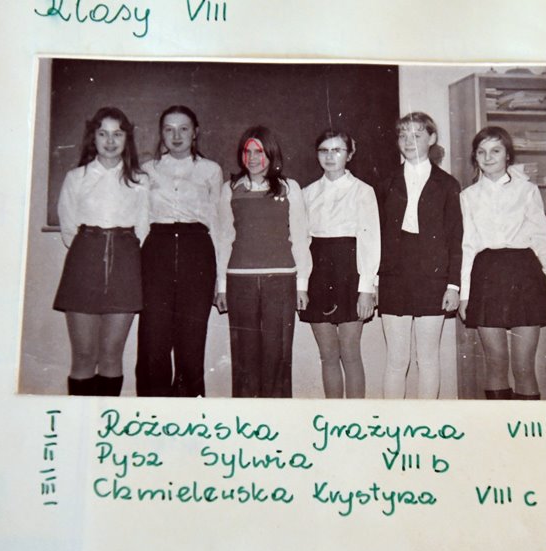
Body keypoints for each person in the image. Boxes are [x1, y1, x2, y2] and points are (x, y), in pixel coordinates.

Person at [457, 126, 546, 400]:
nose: (488, 157)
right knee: (495, 363)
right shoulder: (468, 196)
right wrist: (465, 295)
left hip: (524, 276)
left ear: (508, 155)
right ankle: (499, 424)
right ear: (475, 157)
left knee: (524, 366)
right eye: (481, 152)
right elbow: (468, 246)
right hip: (486, 277)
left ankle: (526, 426)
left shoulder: (527, 190)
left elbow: (542, 239)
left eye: (495, 151)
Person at [53, 107, 149, 396]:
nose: (110, 141)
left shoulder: (140, 180)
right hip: (84, 263)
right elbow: (68, 228)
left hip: (125, 267)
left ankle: (106, 418)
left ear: (127, 139)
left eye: (117, 134)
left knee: (111, 354)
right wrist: (92, 250)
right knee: (83, 355)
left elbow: (143, 227)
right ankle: (81, 419)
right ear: (92, 138)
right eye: (103, 133)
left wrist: (120, 251)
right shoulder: (76, 177)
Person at [214, 126, 312, 398]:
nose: (253, 158)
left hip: (280, 281)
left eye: (259, 152)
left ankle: (277, 417)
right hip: (240, 282)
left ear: (271, 153)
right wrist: (222, 286)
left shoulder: (290, 188)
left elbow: (300, 237)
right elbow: (224, 238)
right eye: (248, 152)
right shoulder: (230, 189)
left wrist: (302, 285)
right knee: (244, 357)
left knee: (277, 356)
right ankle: (246, 417)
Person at [135, 105, 223, 397]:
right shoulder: (147, 170)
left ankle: (188, 414)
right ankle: (152, 413)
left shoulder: (211, 170)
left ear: (195, 132)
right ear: (161, 133)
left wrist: (220, 280)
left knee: (191, 342)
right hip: (156, 252)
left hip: (197, 251)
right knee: (153, 342)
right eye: (169, 129)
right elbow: (141, 221)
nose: (176, 136)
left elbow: (217, 224)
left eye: (183, 129)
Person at [377, 112, 463, 399]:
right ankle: (393, 420)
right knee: (395, 360)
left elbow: (455, 239)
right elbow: (376, 236)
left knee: (427, 359)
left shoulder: (448, 184)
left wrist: (453, 285)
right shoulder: (386, 182)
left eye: (416, 135)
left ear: (432, 138)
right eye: (403, 135)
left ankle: (426, 419)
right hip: (394, 277)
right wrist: (374, 281)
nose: (408, 141)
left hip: (432, 279)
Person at [300, 130, 380, 398]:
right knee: (328, 354)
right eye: (324, 150)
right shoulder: (307, 193)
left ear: (350, 154)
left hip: (350, 273)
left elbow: (370, 241)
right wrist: (302, 285)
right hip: (318, 274)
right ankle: (334, 416)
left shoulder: (363, 191)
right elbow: (302, 242)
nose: (330, 156)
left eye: (337, 150)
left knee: (350, 353)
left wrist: (366, 288)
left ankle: (354, 417)